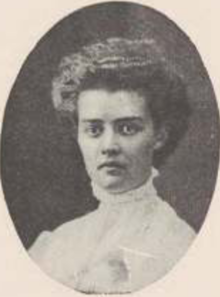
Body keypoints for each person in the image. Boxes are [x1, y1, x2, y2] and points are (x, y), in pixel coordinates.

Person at [28, 38, 196, 294]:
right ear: (79, 136)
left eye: (127, 128)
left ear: (159, 135)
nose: (109, 145)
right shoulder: (58, 243)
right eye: (94, 130)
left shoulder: (178, 245)